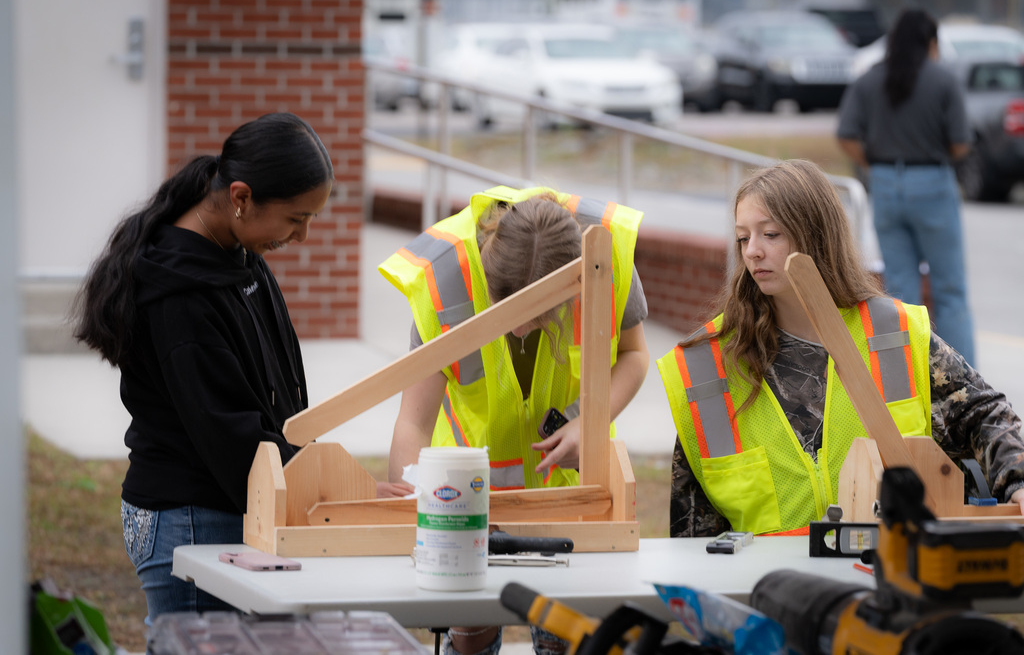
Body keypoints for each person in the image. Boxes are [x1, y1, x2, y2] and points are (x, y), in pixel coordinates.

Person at [72, 113, 411, 627]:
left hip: (229, 502)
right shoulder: (181, 294)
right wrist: (341, 489)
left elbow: (269, 400)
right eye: (296, 218)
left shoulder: (234, 250)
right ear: (241, 197)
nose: (302, 236)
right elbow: (230, 434)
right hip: (189, 517)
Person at [657, 159, 1024, 539]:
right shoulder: (707, 365)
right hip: (770, 590)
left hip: (892, 577)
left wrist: (1017, 483)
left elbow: (985, 413)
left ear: (816, 235)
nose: (753, 251)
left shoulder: (893, 333)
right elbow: (691, 535)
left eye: (770, 234)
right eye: (743, 237)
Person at [381, 185, 650, 655]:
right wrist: (420, 505)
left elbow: (634, 356)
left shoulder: (607, 260)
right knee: (469, 634)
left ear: (574, 283)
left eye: (541, 314)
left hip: (569, 494)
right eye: (508, 309)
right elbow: (413, 423)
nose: (522, 329)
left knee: (566, 634)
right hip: (464, 499)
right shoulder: (447, 282)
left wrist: (587, 422)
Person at [836, 8, 976, 366]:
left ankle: (904, 377)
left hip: (885, 183)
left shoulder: (870, 79)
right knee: (949, 290)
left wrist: (875, 165)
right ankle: (964, 380)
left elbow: (846, 135)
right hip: (932, 182)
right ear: (931, 43)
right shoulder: (943, 80)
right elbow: (961, 144)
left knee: (899, 293)